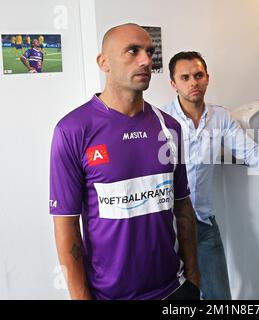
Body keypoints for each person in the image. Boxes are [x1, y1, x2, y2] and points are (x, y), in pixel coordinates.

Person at [49, 23, 200, 300]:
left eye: (149, 51)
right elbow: (66, 226)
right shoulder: (72, 130)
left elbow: (183, 205)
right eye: (132, 51)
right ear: (103, 62)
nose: (146, 60)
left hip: (174, 290)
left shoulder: (169, 127)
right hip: (109, 295)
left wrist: (193, 278)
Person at [162, 51, 259, 300]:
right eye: (185, 77)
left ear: (207, 78)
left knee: (219, 297)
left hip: (203, 223)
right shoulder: (161, 120)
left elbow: (253, 154)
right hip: (167, 225)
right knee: (176, 296)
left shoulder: (220, 117)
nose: (193, 82)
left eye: (198, 75)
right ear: (173, 84)